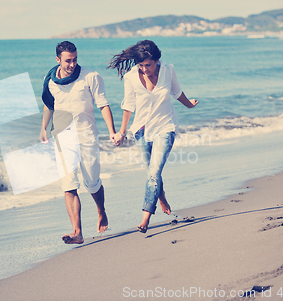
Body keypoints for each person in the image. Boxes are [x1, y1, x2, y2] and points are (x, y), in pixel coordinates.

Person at [108, 40, 198, 233]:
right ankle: (161, 196)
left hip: (165, 127)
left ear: (156, 60)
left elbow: (176, 92)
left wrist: (189, 105)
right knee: (152, 172)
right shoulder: (131, 77)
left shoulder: (168, 70)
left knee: (153, 172)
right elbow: (128, 105)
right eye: (140, 65)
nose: (144, 69)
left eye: (147, 65)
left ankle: (145, 217)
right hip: (141, 130)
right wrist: (121, 132)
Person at [39, 41, 117, 244]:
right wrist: (43, 128)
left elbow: (103, 104)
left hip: (86, 135)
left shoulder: (91, 77)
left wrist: (112, 132)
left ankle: (101, 210)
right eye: (68, 61)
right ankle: (77, 232)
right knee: (69, 185)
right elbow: (49, 105)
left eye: (75, 60)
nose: (72, 64)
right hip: (63, 137)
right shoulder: (50, 81)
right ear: (57, 59)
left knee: (92, 182)